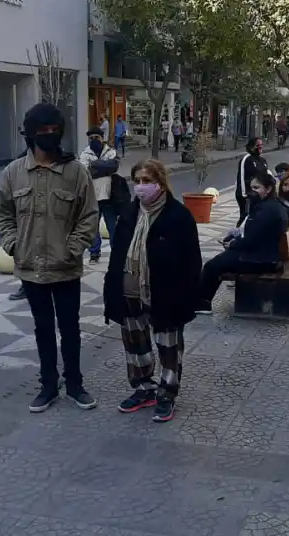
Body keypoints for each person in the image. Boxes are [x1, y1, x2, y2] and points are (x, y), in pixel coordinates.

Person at [0, 102, 100, 413]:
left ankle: (75, 385)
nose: (50, 136)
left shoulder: (75, 172)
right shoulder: (13, 173)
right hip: (30, 269)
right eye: (43, 131)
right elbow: (3, 215)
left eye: (55, 130)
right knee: (42, 329)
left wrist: (74, 247)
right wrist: (14, 245)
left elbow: (89, 215)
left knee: (70, 327)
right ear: (31, 134)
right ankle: (48, 385)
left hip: (65, 268)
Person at [104, 159, 201, 423]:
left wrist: (190, 299)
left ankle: (167, 393)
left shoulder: (178, 216)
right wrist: (111, 290)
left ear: (160, 182)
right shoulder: (129, 214)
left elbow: (192, 261)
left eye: (147, 181)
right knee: (135, 345)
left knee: (168, 346)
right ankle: (144, 388)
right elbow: (117, 254)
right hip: (130, 290)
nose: (141, 186)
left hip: (166, 294)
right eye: (137, 180)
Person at [197, 171, 288, 314]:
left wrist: (233, 244)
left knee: (212, 266)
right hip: (264, 254)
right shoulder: (272, 206)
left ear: (268, 189)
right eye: (251, 188)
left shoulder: (267, 210)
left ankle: (202, 304)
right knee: (221, 260)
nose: (252, 192)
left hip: (259, 259)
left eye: (257, 188)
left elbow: (251, 239)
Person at [80, 128, 120, 263]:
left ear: (102, 138)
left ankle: (116, 252)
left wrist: (95, 165)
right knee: (93, 227)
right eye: (91, 138)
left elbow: (114, 166)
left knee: (112, 226)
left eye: (96, 137)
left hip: (109, 197)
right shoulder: (85, 153)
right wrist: (104, 168)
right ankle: (94, 252)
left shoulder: (110, 151)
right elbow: (85, 173)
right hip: (92, 197)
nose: (94, 140)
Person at [234, 137, 268, 227]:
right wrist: (244, 195)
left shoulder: (262, 161)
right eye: (258, 145)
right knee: (245, 217)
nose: (260, 147)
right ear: (251, 146)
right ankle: (235, 236)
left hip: (259, 195)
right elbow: (241, 177)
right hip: (247, 195)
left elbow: (266, 176)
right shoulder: (246, 159)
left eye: (261, 145)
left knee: (255, 218)